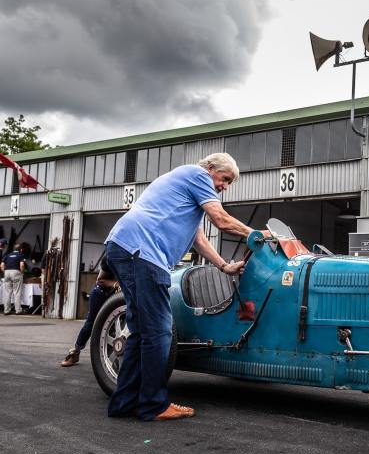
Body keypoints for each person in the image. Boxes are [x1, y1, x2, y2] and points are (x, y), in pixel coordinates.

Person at [104, 152, 267, 422]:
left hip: (125, 247)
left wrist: (224, 266)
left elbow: (198, 240)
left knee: (142, 331)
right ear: (211, 169)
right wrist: (256, 234)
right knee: (160, 331)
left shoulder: (183, 187)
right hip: (142, 254)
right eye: (225, 179)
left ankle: (124, 402)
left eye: (229, 184)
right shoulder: (197, 175)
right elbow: (221, 220)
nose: (224, 187)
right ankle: (153, 405)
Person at [60, 255, 117, 367]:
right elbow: (100, 280)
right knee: (91, 323)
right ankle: (75, 352)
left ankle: (110, 360)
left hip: (114, 295)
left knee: (113, 327)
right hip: (100, 293)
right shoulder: (110, 257)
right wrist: (115, 284)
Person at [2, 243, 26, 315]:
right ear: (21, 249)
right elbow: (21, 265)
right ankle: (18, 310)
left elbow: (2, 265)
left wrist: (5, 271)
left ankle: (6, 310)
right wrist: (22, 273)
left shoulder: (8, 255)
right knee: (17, 292)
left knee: (7, 292)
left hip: (7, 272)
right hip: (16, 272)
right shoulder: (21, 255)